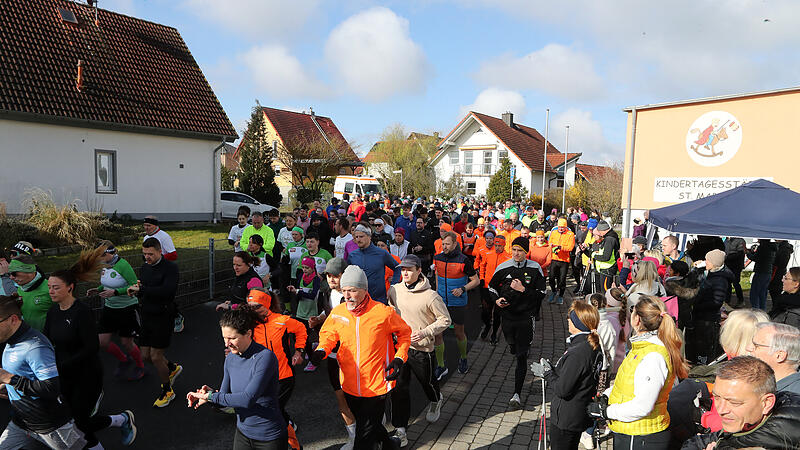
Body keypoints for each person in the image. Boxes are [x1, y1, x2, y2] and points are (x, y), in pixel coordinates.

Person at [44, 246, 137, 448]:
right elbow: (47, 340)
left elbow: (91, 347)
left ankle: (121, 420)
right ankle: (118, 422)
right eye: (49, 287)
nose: (51, 291)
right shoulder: (53, 312)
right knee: (72, 421)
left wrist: (65, 364)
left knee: (80, 422)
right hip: (63, 374)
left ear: (70, 287)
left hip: (86, 374)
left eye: (56, 287)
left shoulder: (81, 312)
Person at [311, 265, 411, 449]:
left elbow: (405, 334)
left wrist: (399, 358)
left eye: (352, 291)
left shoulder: (383, 313)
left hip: (377, 384)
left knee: (363, 437)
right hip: (349, 383)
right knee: (369, 423)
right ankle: (390, 445)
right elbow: (328, 334)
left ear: (364, 291)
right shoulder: (339, 312)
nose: (347, 295)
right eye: (344, 290)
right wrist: (322, 350)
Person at [587, 296, 688, 450]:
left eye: (632, 311)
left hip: (641, 436)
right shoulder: (642, 347)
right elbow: (628, 381)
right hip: (632, 431)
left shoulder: (653, 356)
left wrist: (607, 412)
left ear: (637, 320)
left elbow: (643, 406)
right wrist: (607, 395)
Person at [187, 307, 288, 450]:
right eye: (224, 338)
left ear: (248, 333)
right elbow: (224, 400)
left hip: (269, 437)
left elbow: (247, 399)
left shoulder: (265, 358)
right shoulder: (230, 359)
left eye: (232, 338)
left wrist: (212, 396)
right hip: (243, 434)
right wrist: (207, 397)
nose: (226, 344)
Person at [0, 295, 88, 449]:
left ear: (13, 319)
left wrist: (10, 379)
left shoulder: (34, 346)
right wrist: (6, 386)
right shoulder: (11, 340)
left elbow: (51, 388)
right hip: (22, 422)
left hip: (50, 425)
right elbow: (24, 375)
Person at [388, 255, 451, 447]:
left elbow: (445, 320)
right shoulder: (394, 290)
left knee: (428, 382)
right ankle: (400, 430)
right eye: (402, 269)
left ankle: (435, 399)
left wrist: (425, 332)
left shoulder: (431, 295)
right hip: (401, 349)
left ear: (418, 270)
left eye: (409, 269)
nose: (405, 273)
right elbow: (390, 312)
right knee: (399, 389)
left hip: (422, 349)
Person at [681, 356, 800, 450]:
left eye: (734, 402)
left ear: (767, 403)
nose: (721, 410)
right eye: (717, 397)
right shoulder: (787, 402)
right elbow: (702, 441)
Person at [532, 301, 602, 450]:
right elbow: (577, 376)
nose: (568, 320)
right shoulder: (591, 345)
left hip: (566, 418)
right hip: (576, 414)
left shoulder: (578, 352)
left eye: (571, 318)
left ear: (578, 323)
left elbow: (562, 389)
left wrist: (547, 373)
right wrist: (554, 369)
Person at [490, 237, 546, 407]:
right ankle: (513, 346)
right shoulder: (503, 267)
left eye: (520, 250)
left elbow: (541, 292)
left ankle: (517, 394)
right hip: (507, 318)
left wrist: (523, 290)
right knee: (512, 345)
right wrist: (497, 299)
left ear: (526, 252)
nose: (516, 254)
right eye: (514, 250)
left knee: (521, 356)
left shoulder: (535, 268)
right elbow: (491, 287)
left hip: (526, 318)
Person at [127, 237, 182, 408]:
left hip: (163, 315)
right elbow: (145, 288)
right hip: (147, 315)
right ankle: (172, 368)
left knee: (156, 356)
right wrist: (136, 292)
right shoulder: (144, 267)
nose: (147, 257)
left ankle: (168, 390)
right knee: (145, 356)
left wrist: (143, 290)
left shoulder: (170, 268)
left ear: (160, 251)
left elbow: (167, 291)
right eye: (144, 254)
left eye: (150, 254)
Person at [246, 290, 306, 446]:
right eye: (249, 306)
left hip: (283, 377)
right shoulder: (248, 324)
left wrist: (299, 351)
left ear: (267, 305)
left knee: (273, 410)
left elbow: (301, 328)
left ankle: (293, 444)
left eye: (256, 307)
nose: (252, 310)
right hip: (260, 378)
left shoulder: (282, 320)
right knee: (273, 411)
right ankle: (287, 427)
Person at [313, 258, 357, 449]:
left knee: (360, 398)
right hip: (332, 355)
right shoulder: (324, 292)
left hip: (353, 355)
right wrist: (319, 319)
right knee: (340, 396)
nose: (331, 279)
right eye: (328, 275)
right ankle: (354, 437)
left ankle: (374, 432)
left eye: (335, 275)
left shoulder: (354, 296)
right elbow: (330, 312)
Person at [87, 242, 146, 381]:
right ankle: (124, 360)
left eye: (102, 255)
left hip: (127, 309)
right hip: (110, 309)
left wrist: (116, 292)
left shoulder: (123, 265)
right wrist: (99, 289)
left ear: (111, 253)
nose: (99, 258)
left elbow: (135, 286)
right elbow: (108, 282)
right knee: (102, 342)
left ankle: (140, 365)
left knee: (127, 343)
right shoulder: (105, 265)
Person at [433, 231, 480, 377]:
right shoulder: (437, 258)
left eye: (447, 244)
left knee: (459, 332)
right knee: (437, 334)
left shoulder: (464, 260)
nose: (444, 247)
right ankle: (441, 366)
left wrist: (462, 289)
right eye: (443, 244)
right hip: (441, 301)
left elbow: (476, 281)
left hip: (457, 302)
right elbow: (437, 275)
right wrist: (436, 292)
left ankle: (463, 358)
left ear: (455, 244)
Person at [685, 250, 733, 365]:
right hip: (699, 316)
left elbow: (717, 302)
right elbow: (690, 282)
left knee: (703, 345)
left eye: (707, 260)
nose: (705, 262)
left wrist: (696, 304)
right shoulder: (709, 274)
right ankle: (694, 363)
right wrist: (696, 269)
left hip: (707, 318)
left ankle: (702, 365)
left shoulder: (720, 280)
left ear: (714, 262)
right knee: (694, 343)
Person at [347, 224, 400, 304]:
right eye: (356, 237)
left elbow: (397, 267)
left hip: (379, 301)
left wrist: (392, 286)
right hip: (359, 301)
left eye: (361, 237)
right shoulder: (352, 256)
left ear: (369, 237)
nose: (358, 239)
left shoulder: (381, 254)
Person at [746, 322, 800, 395]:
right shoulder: (758, 381)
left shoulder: (794, 398)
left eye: (756, 345)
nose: (748, 348)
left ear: (779, 356)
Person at [286, 257, 320, 371]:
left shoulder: (316, 279)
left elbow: (313, 295)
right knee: (299, 335)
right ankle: (306, 353)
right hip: (301, 312)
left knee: (309, 338)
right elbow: (299, 294)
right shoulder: (301, 277)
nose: (304, 270)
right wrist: (294, 290)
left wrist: (298, 292)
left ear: (312, 267)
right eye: (303, 267)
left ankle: (312, 361)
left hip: (311, 312)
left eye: (307, 268)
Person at [7, 255, 52, 331]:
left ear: (29, 271)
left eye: (14, 273)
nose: (11, 277)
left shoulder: (50, 288)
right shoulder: (20, 289)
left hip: (48, 340)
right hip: (29, 339)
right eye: (9, 274)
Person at [586, 221, 619, 293]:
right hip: (604, 268)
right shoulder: (609, 237)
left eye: (599, 232)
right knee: (602, 291)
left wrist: (594, 255)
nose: (599, 234)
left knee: (605, 292)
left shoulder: (610, 239)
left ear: (603, 231)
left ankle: (606, 303)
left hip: (607, 269)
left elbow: (606, 257)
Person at [548, 218, 575, 305]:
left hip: (564, 261)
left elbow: (570, 248)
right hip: (554, 258)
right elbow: (550, 243)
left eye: (562, 227)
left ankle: (560, 296)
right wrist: (552, 246)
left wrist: (560, 247)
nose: (560, 229)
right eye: (559, 227)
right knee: (551, 278)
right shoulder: (554, 232)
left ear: (566, 227)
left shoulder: (570, 234)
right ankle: (553, 291)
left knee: (562, 280)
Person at [747, 239, 777, 310]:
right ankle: (762, 312)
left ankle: (756, 312)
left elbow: (756, 258)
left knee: (755, 294)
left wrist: (747, 253)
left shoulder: (763, 247)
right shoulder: (772, 247)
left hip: (761, 272)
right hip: (768, 272)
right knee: (763, 294)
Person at [724, 236, 746, 307]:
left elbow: (741, 254)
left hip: (736, 266)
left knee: (736, 283)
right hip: (728, 265)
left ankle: (741, 300)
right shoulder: (726, 240)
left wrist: (727, 257)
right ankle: (727, 301)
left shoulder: (740, 240)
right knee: (727, 283)